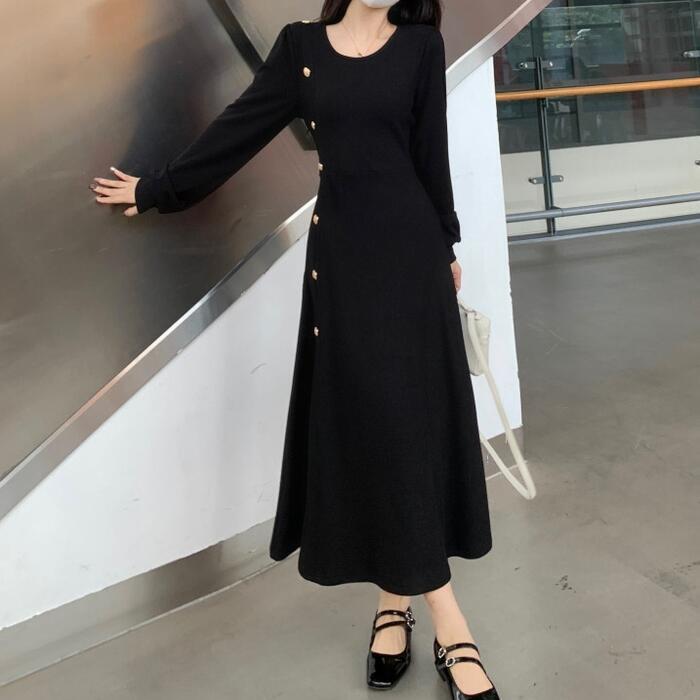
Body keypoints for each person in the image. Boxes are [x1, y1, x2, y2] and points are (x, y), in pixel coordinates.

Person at [91, 1, 498, 697]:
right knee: (375, 427)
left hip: (412, 261)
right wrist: (161, 188)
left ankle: (405, 605)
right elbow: (240, 128)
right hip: (342, 266)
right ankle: (437, 616)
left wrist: (447, 244)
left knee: (408, 429)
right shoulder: (301, 47)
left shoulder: (420, 48)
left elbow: (432, 156)